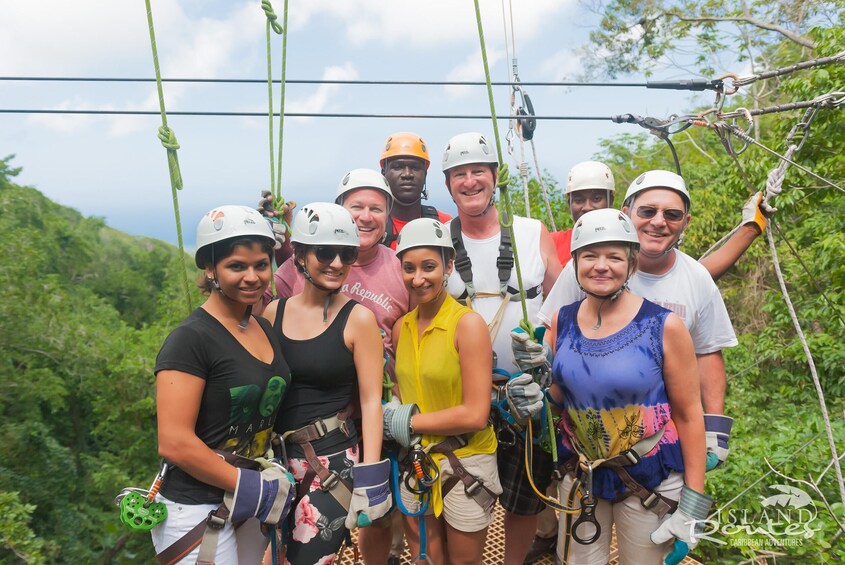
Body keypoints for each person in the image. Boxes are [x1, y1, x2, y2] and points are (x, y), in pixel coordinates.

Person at [508, 208, 711, 565]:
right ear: (575, 263)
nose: (601, 266)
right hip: (583, 475)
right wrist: (530, 398)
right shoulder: (562, 320)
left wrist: (693, 505)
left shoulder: (664, 327)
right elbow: (559, 399)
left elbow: (690, 415)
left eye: (614, 257)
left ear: (631, 264)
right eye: (590, 256)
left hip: (648, 476)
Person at [441, 132, 562, 565]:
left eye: (478, 171)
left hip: (525, 391)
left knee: (524, 496)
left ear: (495, 177)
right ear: (448, 183)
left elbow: (565, 304)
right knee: (457, 489)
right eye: (459, 174)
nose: (470, 181)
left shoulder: (531, 233)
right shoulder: (437, 239)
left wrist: (546, 354)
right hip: (457, 394)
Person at [152, 205, 295, 564]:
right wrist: (246, 485)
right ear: (211, 269)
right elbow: (173, 441)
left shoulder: (262, 326)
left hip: (247, 498)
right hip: (195, 506)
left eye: (261, 264)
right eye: (236, 266)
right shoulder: (190, 339)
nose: (252, 276)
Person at [263, 202, 390, 564]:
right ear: (300, 255)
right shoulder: (275, 312)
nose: (336, 263)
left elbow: (370, 401)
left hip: (332, 462)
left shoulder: (359, 320)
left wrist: (369, 475)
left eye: (346, 254)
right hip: (278, 460)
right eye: (325, 252)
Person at [389, 217, 501, 564]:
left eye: (428, 267)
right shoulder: (400, 328)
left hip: (466, 459)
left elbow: (475, 413)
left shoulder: (466, 325)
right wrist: (396, 407)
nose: (418, 278)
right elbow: (401, 388)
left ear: (448, 266)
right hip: (419, 461)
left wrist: (404, 422)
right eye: (409, 268)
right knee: (426, 559)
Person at [380, 131, 452, 249]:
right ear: (384, 173)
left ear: (425, 174)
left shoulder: (445, 224)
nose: (407, 174)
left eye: (415, 167)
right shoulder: (374, 227)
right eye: (398, 167)